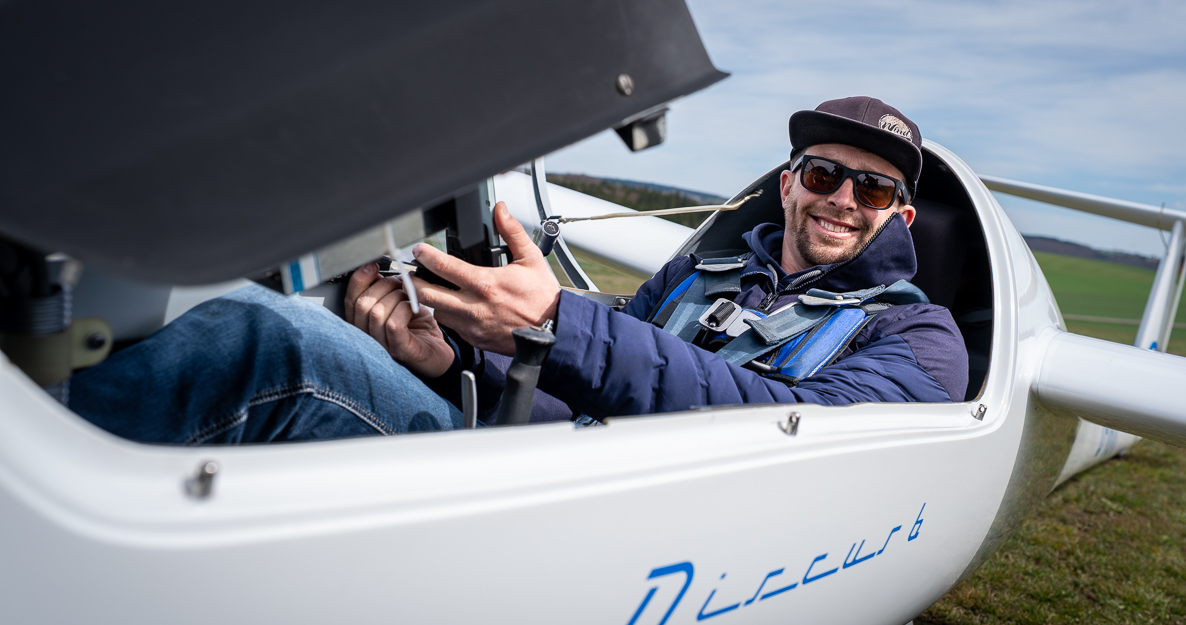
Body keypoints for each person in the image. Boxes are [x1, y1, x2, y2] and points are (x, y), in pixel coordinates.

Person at [68, 97, 967, 443]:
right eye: (823, 173)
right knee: (290, 316)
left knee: (273, 350)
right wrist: (454, 360)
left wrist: (556, 322)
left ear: (900, 214)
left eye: (873, 187)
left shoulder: (919, 335)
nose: (842, 198)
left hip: (649, 528)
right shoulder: (702, 272)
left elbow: (803, 431)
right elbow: (588, 393)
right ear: (789, 183)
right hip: (548, 472)